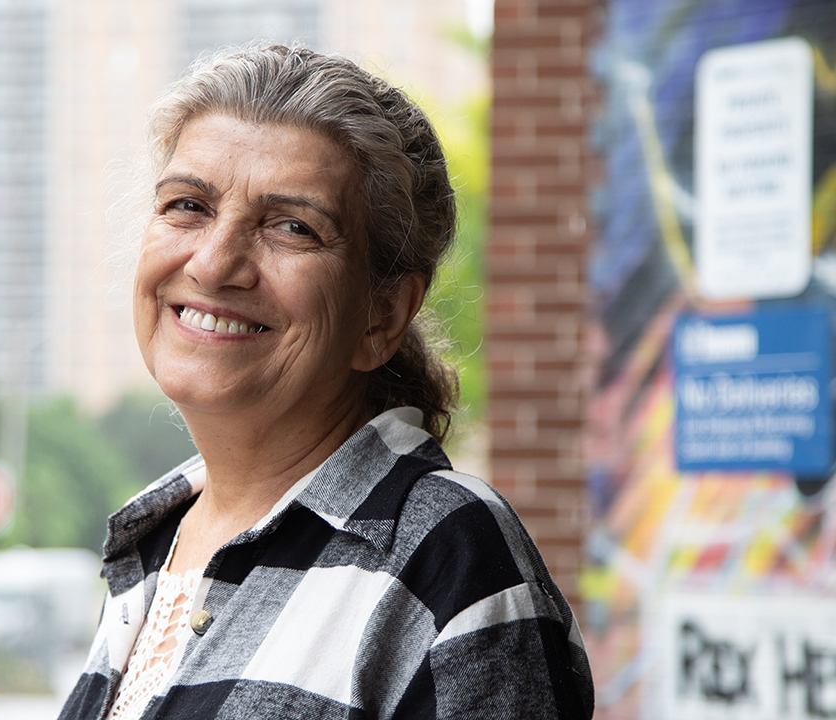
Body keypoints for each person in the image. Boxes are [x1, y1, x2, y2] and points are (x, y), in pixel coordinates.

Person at [59, 43, 594, 720]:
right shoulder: (155, 544)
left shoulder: (446, 555)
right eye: (188, 205)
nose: (216, 262)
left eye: (291, 226)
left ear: (382, 313)